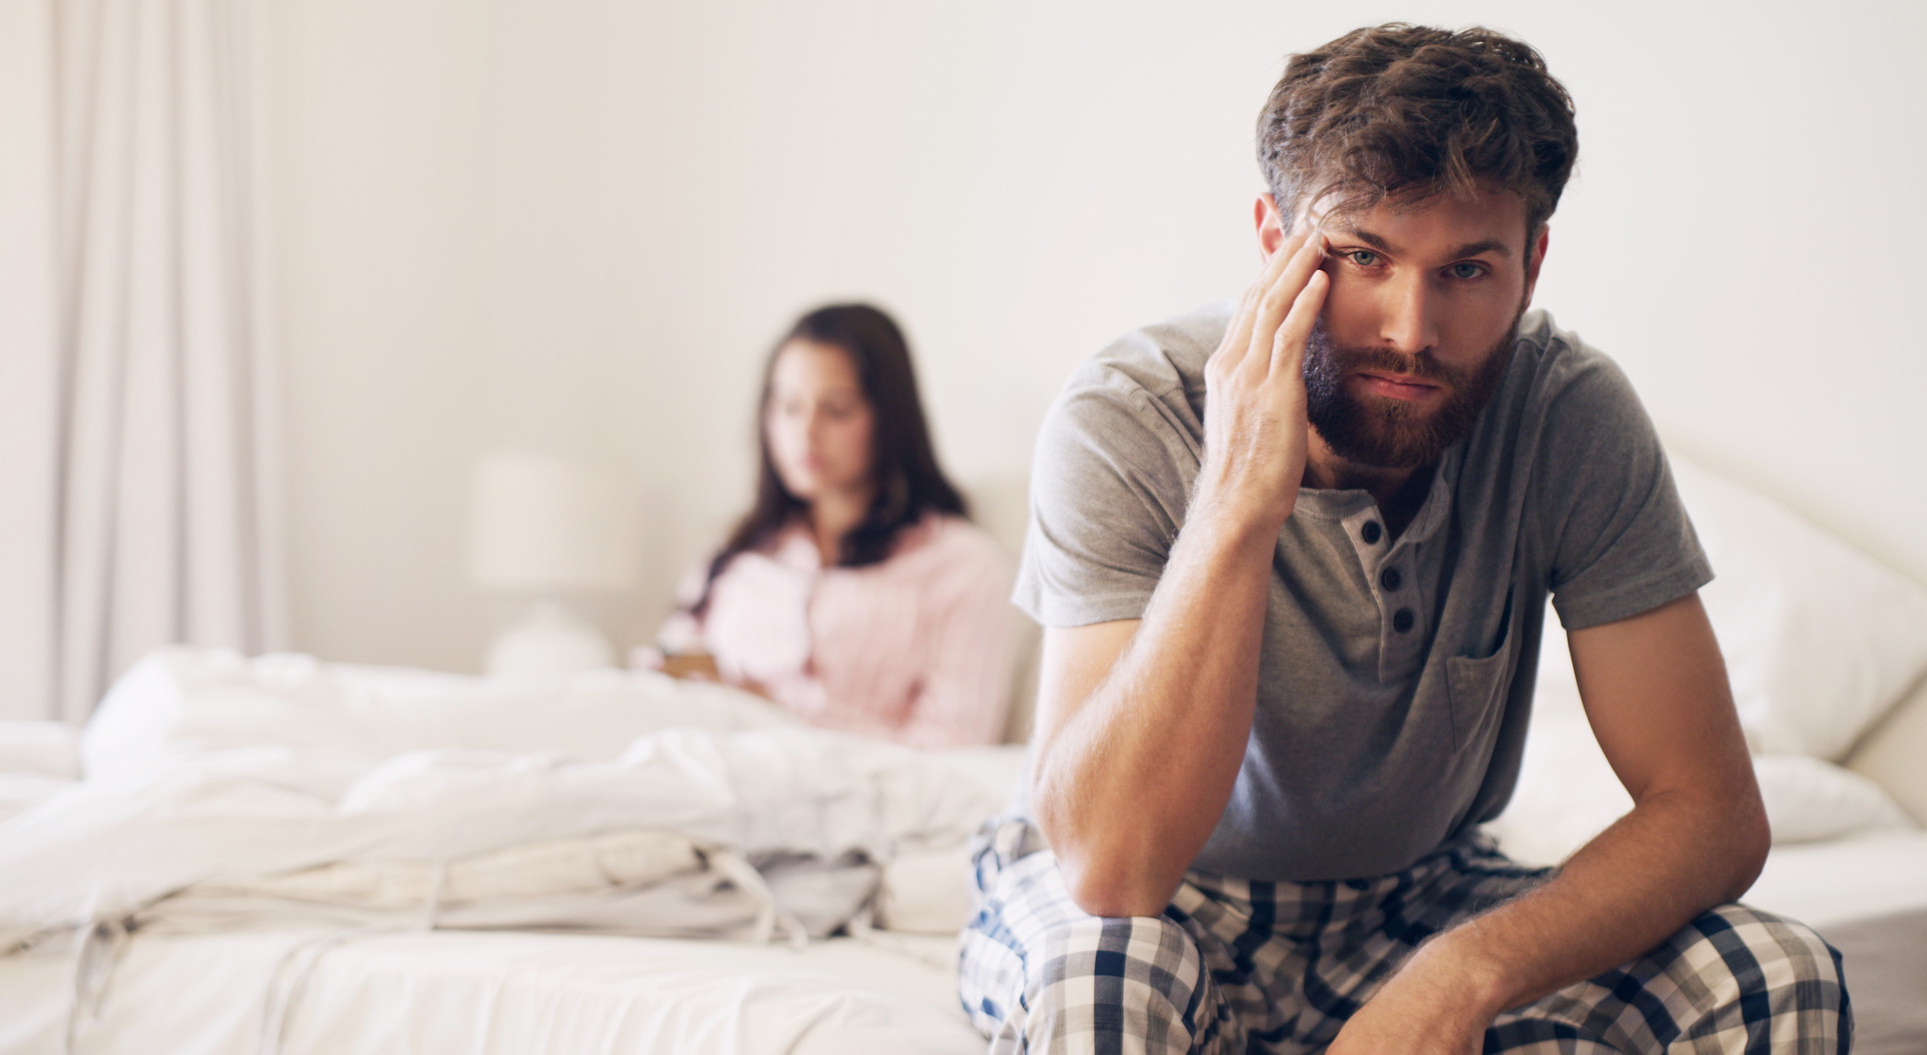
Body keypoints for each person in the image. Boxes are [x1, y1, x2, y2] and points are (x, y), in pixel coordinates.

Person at [958, 24, 1849, 1055]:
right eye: (1360, 257)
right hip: (1160, 901)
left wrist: (1459, 974)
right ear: (1271, 240)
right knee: (1104, 971)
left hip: (1422, 898)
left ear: (1531, 262)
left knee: (1771, 972)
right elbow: (1110, 868)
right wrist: (1238, 502)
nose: (1409, 328)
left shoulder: (1566, 413)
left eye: (1466, 269)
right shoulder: (1129, 413)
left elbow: (1709, 811)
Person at [648, 303, 1016, 748]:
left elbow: (954, 746)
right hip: (690, 756)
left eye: (836, 410)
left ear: (889, 418)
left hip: (824, 794)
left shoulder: (961, 565)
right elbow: (663, 667)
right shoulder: (739, 548)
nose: (806, 432)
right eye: (788, 407)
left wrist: (771, 711)